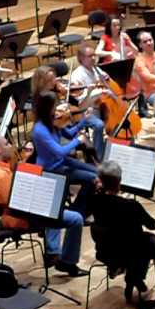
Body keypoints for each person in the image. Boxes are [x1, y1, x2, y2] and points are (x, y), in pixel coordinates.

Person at [0, 134, 88, 277]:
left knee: (56, 207)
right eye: (7, 144)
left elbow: (15, 184)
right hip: (20, 217)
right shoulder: (0, 176)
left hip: (10, 213)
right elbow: (19, 203)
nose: (11, 147)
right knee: (75, 218)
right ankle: (68, 263)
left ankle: (53, 252)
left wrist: (26, 160)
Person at [87, 160, 155, 304]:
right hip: (130, 251)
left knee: (126, 240)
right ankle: (133, 280)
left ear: (100, 180)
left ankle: (121, 269)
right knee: (150, 241)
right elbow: (152, 225)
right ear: (119, 181)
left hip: (105, 250)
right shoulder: (131, 205)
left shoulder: (94, 201)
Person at [32, 91, 98, 219]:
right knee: (92, 179)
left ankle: (82, 207)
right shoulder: (40, 130)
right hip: (51, 168)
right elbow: (60, 151)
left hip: (61, 161)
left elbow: (69, 133)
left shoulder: (52, 120)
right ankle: (79, 211)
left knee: (96, 171)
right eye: (55, 106)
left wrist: (84, 120)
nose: (58, 109)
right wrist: (78, 141)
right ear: (48, 108)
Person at [32, 65, 105, 162]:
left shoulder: (60, 90)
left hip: (71, 116)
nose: (54, 81)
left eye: (54, 77)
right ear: (41, 81)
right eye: (50, 79)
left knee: (99, 124)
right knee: (76, 148)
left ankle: (99, 158)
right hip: (58, 127)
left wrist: (87, 91)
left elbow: (78, 105)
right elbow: (45, 120)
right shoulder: (39, 99)